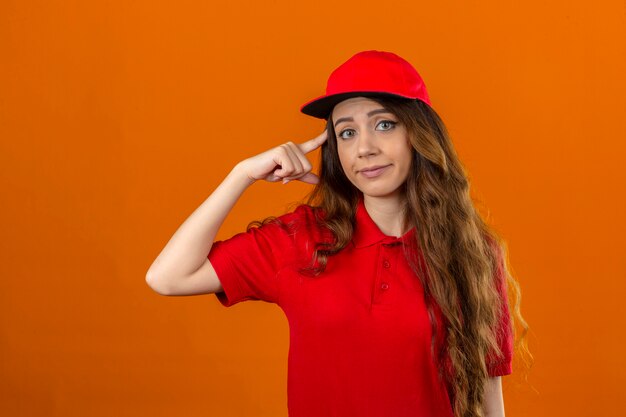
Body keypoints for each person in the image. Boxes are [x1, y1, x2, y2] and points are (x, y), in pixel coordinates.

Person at [146, 50, 528, 417]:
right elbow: (168, 276)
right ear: (334, 150)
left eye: (384, 124)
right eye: (346, 133)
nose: (364, 148)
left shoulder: (472, 252)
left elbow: (487, 401)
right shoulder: (302, 239)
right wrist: (242, 174)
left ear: (419, 134)